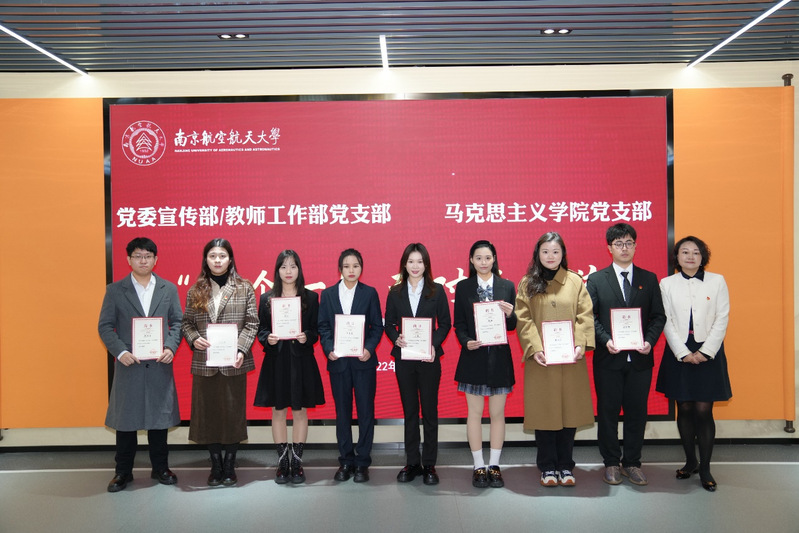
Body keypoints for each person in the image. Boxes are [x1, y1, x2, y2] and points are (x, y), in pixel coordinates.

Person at [98, 237, 183, 493]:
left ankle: (161, 468)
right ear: (129, 259)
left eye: (148, 256)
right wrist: (120, 351)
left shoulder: (168, 289)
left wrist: (170, 347)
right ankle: (122, 472)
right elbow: (105, 326)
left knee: (159, 421)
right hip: (129, 364)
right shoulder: (115, 290)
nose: (143, 260)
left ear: (155, 260)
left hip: (158, 364)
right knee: (126, 422)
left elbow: (178, 322)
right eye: (138, 256)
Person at [586, 223, 666, 486]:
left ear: (635, 246)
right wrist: (606, 340)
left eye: (629, 243)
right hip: (609, 358)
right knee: (607, 412)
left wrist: (649, 341)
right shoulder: (597, 280)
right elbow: (589, 317)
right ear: (609, 248)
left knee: (636, 413)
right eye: (618, 243)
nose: (624, 248)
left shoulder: (649, 279)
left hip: (640, 359)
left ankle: (632, 462)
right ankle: (611, 462)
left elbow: (658, 316)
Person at [515, 232, 594, 487]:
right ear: (537, 254)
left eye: (556, 252)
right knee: (544, 413)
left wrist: (580, 343)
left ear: (563, 254)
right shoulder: (527, 283)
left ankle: (565, 466)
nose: (551, 256)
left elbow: (585, 314)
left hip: (571, 360)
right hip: (542, 361)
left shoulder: (575, 281)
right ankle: (547, 466)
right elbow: (523, 318)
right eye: (545, 251)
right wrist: (535, 347)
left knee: (570, 413)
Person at [657, 236, 731, 492]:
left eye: (696, 252)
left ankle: (706, 468)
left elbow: (722, 317)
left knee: (703, 410)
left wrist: (706, 351)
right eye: (685, 252)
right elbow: (665, 320)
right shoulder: (666, 284)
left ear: (703, 257)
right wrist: (682, 352)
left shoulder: (717, 281)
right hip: (679, 351)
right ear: (677, 257)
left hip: (709, 351)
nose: (690, 256)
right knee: (685, 407)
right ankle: (691, 461)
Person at [182, 238, 258, 487]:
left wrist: (241, 349)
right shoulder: (195, 289)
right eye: (212, 256)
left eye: (222, 256)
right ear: (206, 259)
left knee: (233, 414)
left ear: (230, 259)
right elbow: (187, 323)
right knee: (208, 415)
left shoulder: (244, 287)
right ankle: (215, 464)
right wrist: (194, 339)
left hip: (233, 361)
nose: (217, 260)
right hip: (205, 362)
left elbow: (252, 323)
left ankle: (230, 464)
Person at [254, 250, 325, 484]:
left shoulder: (311, 298)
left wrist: (307, 337)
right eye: (283, 267)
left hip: (301, 360)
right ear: (277, 271)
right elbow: (261, 330)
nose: (288, 271)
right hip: (276, 360)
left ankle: (297, 462)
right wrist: (267, 338)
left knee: (300, 411)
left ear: (299, 270)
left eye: (293, 266)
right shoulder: (266, 298)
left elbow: (316, 330)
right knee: (278, 410)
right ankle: (282, 463)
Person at [384, 243, 452, 485]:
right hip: (404, 360)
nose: (415, 266)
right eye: (411, 261)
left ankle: (430, 464)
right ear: (404, 264)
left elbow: (445, 323)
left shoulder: (437, 291)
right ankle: (412, 462)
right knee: (410, 411)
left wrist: (432, 344)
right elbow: (388, 324)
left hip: (428, 359)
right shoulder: (395, 292)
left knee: (430, 412)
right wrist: (396, 337)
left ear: (426, 265)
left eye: (420, 262)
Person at [453, 240, 517, 488]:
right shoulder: (463, 287)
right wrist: (466, 341)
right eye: (478, 258)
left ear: (494, 259)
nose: (483, 262)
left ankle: (495, 465)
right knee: (475, 414)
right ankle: (478, 465)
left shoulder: (507, 286)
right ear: (471, 260)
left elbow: (512, 326)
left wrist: (510, 314)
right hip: (474, 358)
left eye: (488, 258)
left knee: (498, 414)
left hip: (499, 359)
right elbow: (459, 324)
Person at [318, 249, 384, 483]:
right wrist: (328, 349)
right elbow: (323, 326)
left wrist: (369, 348)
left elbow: (377, 326)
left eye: (355, 266)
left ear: (361, 268)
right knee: (342, 413)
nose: (351, 270)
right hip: (339, 363)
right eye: (346, 266)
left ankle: (363, 462)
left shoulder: (370, 293)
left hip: (363, 362)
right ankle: (346, 461)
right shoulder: (327, 294)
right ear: (340, 269)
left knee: (366, 413)